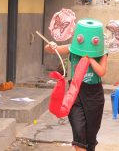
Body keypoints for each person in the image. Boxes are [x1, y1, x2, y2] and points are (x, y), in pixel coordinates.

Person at [45, 19, 108, 151]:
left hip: (94, 97)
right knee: (79, 136)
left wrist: (90, 58)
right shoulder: (72, 48)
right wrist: (51, 46)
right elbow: (50, 50)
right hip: (75, 95)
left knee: (90, 138)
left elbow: (101, 72)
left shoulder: (102, 52)